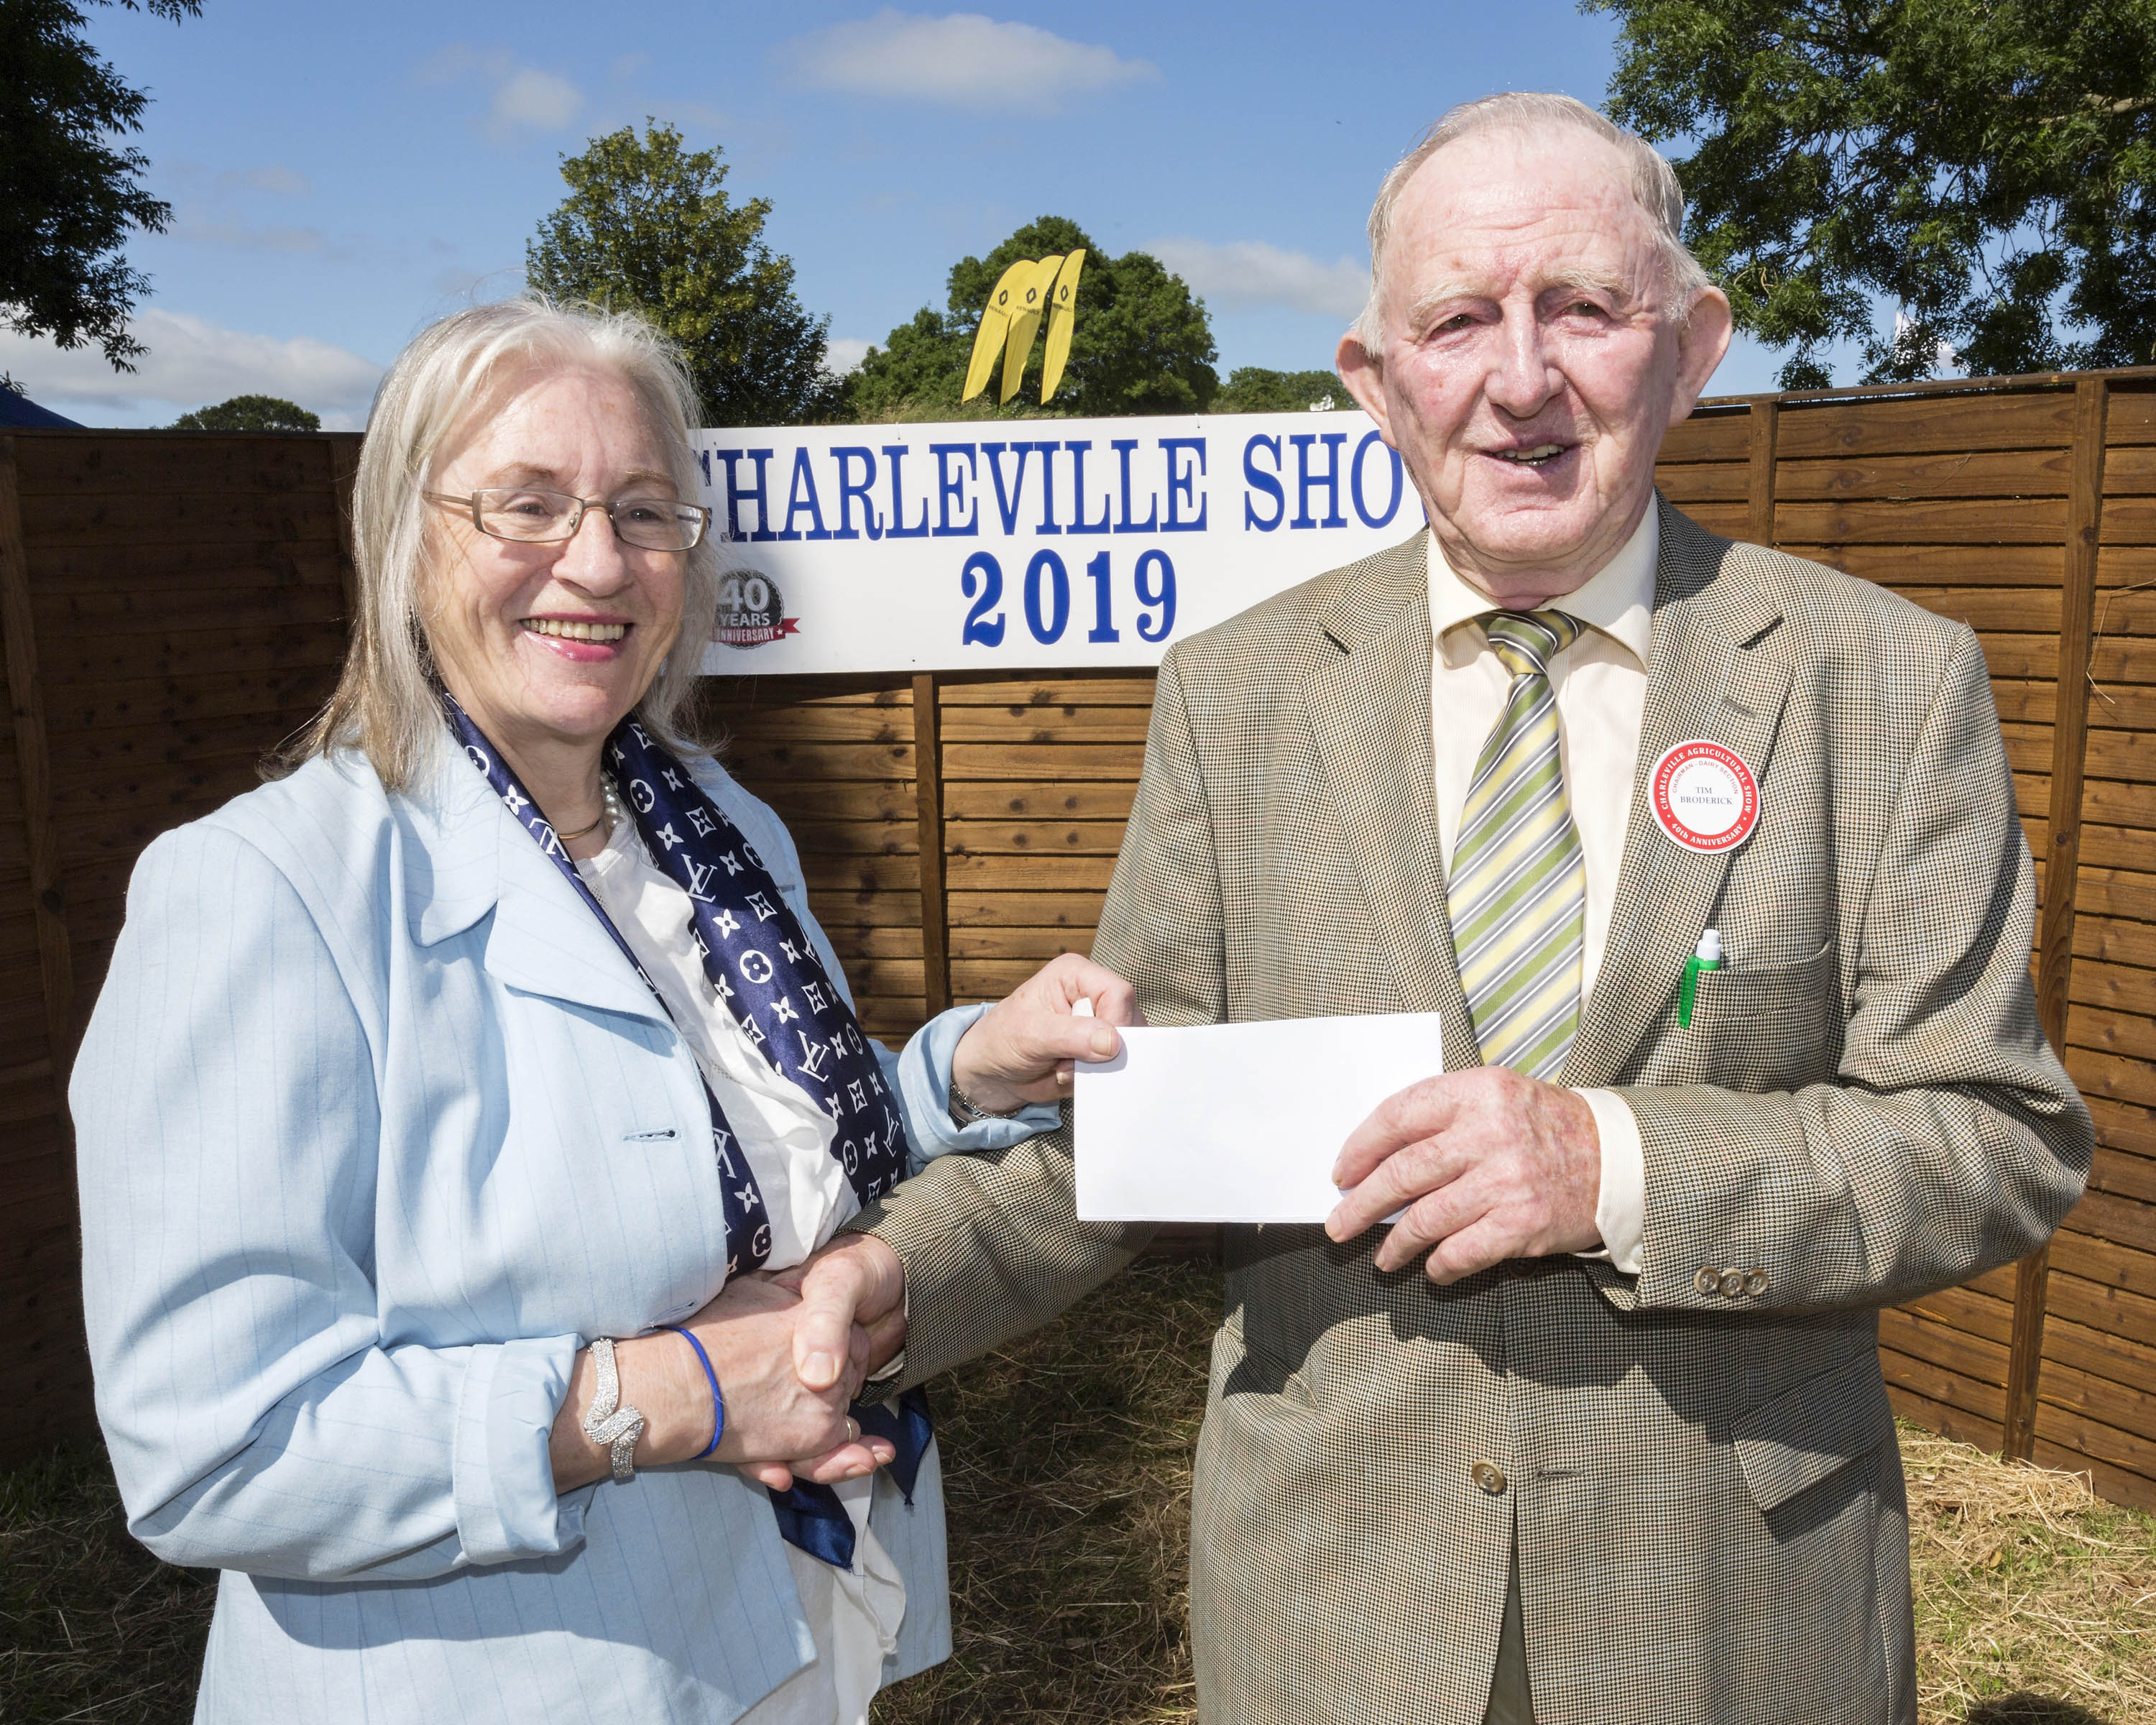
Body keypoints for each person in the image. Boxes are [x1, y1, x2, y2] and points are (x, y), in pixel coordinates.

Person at [789, 93, 2093, 1724]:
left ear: (1690, 349)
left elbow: (1991, 1136)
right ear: (1376, 379)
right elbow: (1128, 1130)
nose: (1522, 380)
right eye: (1460, 320)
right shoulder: (1239, 696)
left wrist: (1614, 1164)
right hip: (1337, 1609)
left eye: (1584, 308)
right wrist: (892, 1286)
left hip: (1731, 1611)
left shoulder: (1881, 681)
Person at [71, 298, 1133, 1724]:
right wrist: (673, 1394)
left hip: (790, 1628)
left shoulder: (714, 828)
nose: (596, 562)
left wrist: (961, 1075)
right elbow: (213, 1446)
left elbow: (741, 1149)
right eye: (527, 505)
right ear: (406, 537)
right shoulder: (258, 890)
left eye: (643, 512)